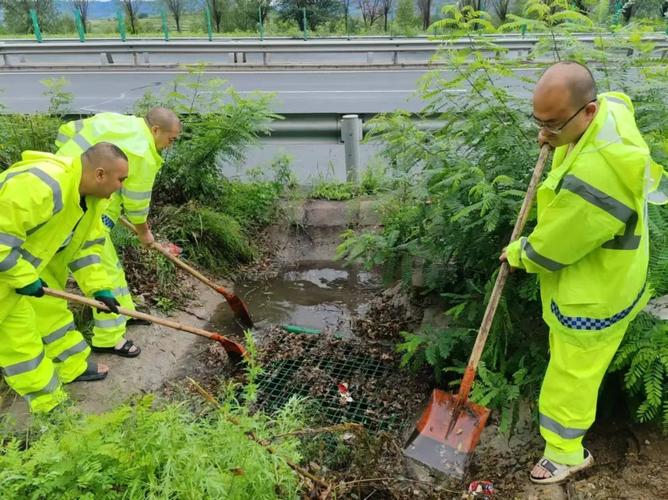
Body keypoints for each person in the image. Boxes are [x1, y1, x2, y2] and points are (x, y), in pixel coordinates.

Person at [500, 61, 666, 484]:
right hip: (615, 273)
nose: (544, 133)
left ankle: (563, 452)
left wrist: (520, 253)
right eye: (540, 121)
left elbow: (557, 245)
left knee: (571, 374)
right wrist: (557, 135)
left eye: (553, 124)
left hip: (593, 294)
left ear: (586, 111)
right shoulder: (609, 112)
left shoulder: (599, 173)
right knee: (580, 366)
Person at [0, 143, 128, 413]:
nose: (120, 187)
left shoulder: (90, 200)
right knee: (18, 343)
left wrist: (100, 289)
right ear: (100, 174)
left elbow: (85, 249)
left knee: (37, 330)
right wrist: (23, 277)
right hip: (10, 272)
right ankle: (49, 405)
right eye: (120, 180)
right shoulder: (42, 185)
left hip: (14, 273)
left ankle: (60, 387)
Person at [55, 108, 181, 358]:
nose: (169, 145)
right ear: (155, 130)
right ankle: (108, 337)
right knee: (104, 270)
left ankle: (123, 311)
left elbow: (65, 134)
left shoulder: (121, 123)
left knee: (110, 263)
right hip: (88, 204)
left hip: (77, 186)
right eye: (171, 139)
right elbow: (136, 202)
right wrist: (144, 233)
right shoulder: (142, 151)